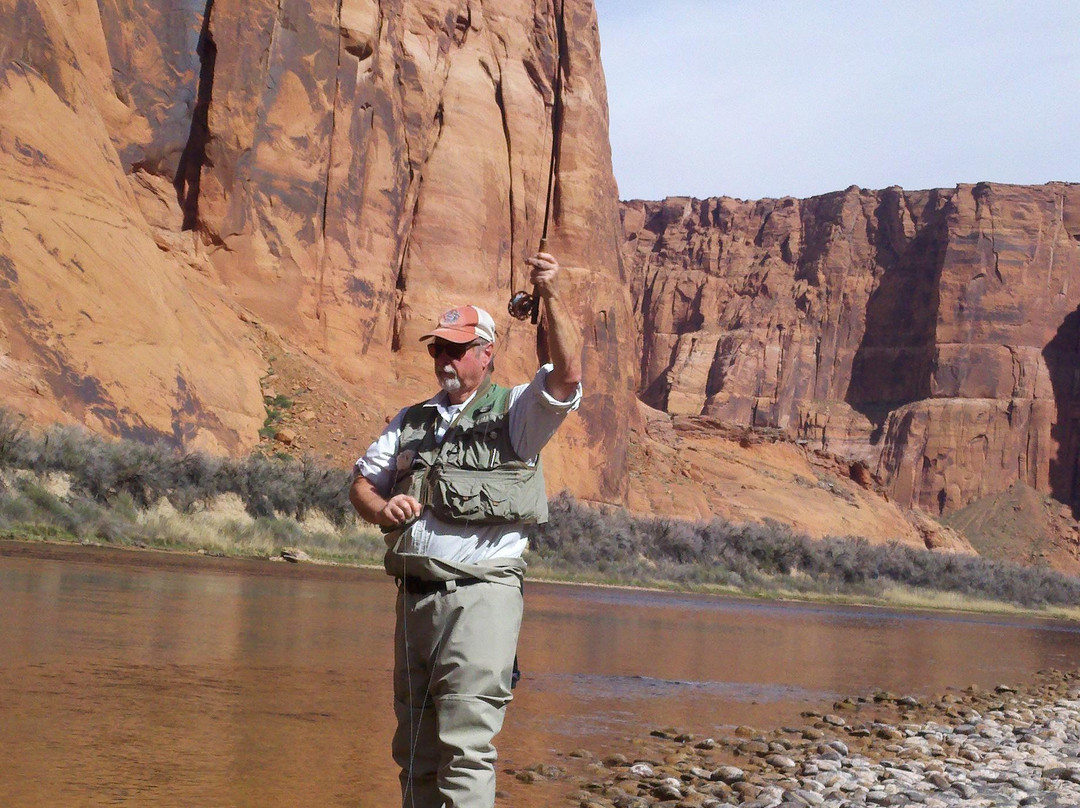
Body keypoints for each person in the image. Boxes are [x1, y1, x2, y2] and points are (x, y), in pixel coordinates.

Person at [349, 251, 582, 808]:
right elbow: (360, 481)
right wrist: (381, 510)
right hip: (414, 600)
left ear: (486, 352)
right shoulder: (413, 419)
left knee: (464, 748)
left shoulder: (518, 413)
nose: (443, 359)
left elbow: (568, 375)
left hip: (481, 597)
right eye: (438, 348)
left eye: (455, 348)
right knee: (414, 752)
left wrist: (551, 295)